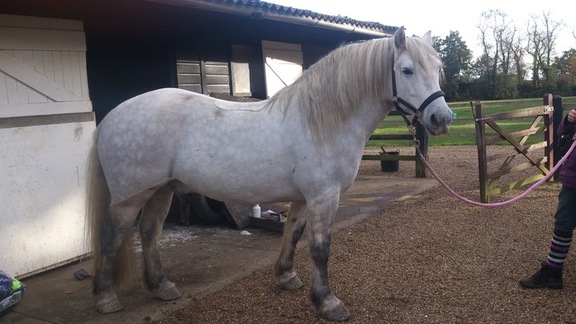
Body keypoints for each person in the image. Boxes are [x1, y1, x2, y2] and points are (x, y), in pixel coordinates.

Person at [519, 108, 576, 289]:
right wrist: (569, 121)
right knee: (563, 223)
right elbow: (563, 133)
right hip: (572, 178)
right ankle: (553, 271)